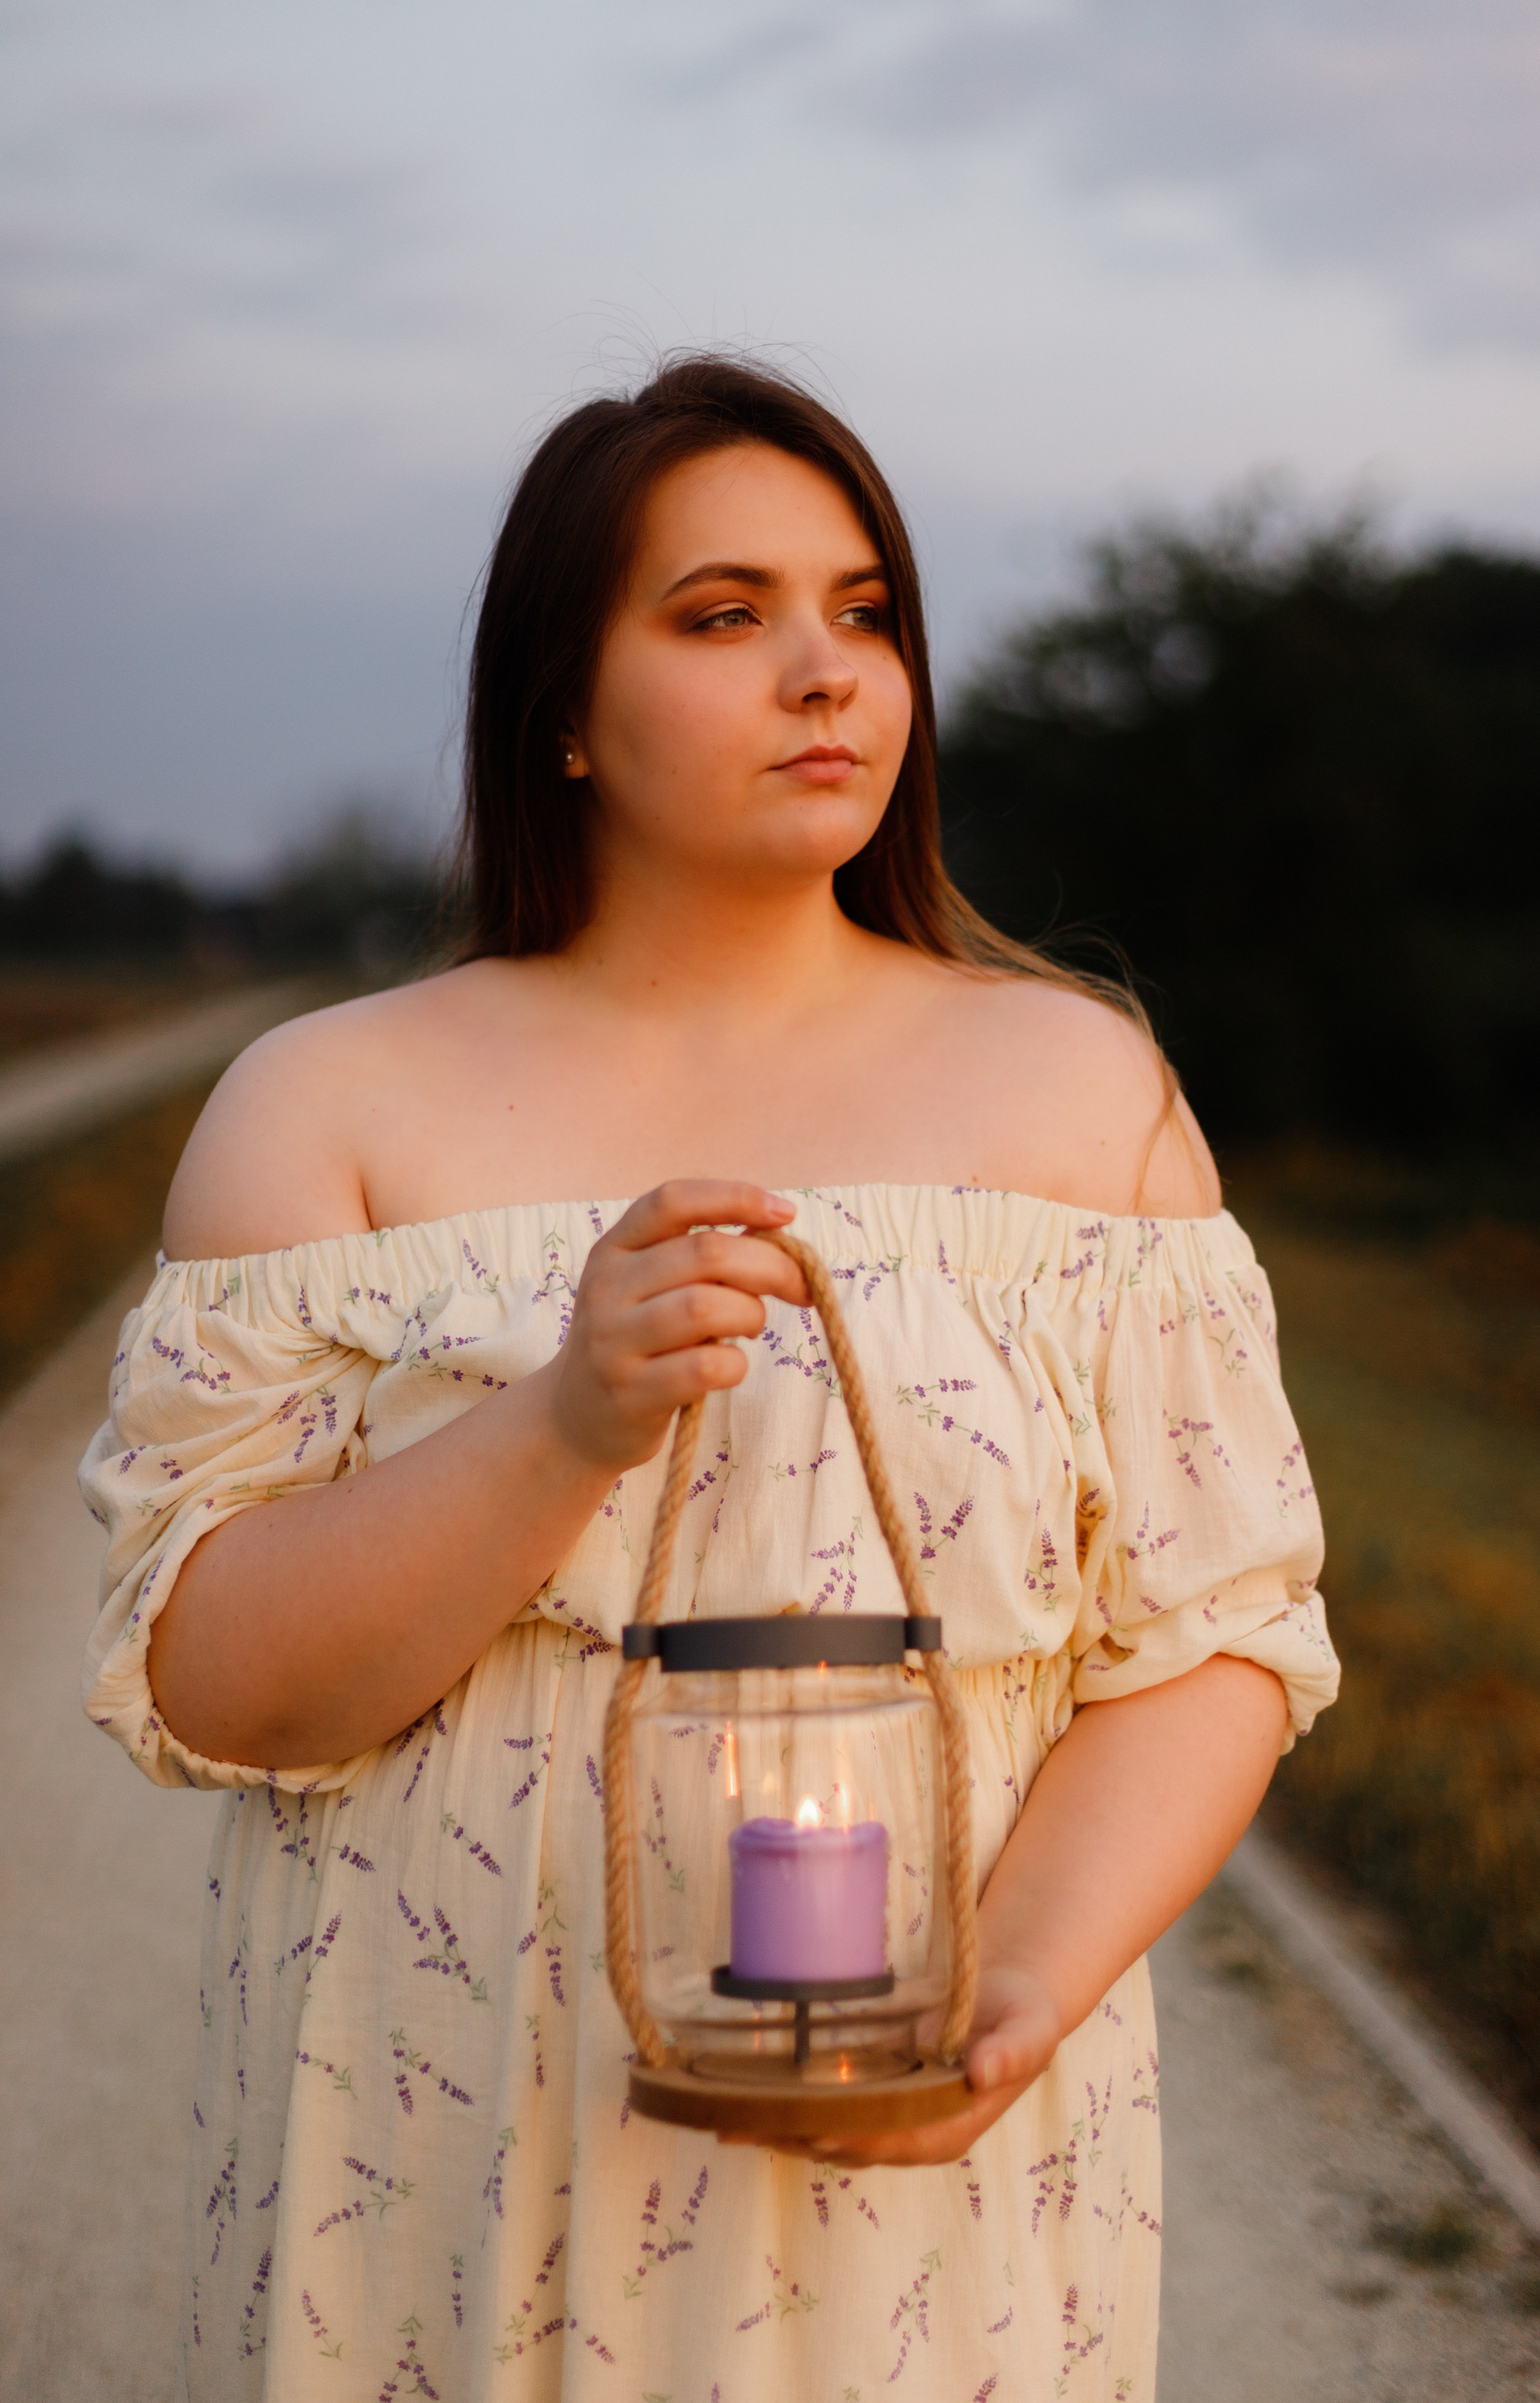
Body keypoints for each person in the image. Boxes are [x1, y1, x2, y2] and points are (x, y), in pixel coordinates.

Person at [81, 355, 1337, 2400]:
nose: (826, 672)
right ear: (560, 713)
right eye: (725, 615)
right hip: (436, 2159)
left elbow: (1216, 1630)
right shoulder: (330, 1109)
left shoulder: (1081, 1095)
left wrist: (1006, 2000)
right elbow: (218, 1681)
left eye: (866, 611)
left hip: (920, 2201)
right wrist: (561, 1421)